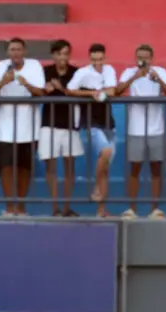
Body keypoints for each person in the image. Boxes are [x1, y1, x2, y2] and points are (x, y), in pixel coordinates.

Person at [0, 38, 46, 215]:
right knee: (6, 166)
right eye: (12, 50)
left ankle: (21, 205)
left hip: (29, 126)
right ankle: (9, 206)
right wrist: (3, 82)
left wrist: (26, 83)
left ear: (24, 51)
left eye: (19, 49)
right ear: (8, 53)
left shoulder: (34, 66)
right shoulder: (0, 66)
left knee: (24, 167)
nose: (16, 53)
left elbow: (41, 92)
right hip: (6, 126)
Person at [116, 45, 166, 219]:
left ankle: (155, 209)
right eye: (140, 57)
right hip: (136, 128)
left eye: (146, 57)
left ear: (152, 58)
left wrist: (158, 81)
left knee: (156, 168)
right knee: (135, 168)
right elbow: (118, 91)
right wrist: (134, 77)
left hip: (157, 127)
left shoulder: (160, 71)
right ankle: (131, 209)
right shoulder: (128, 72)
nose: (143, 60)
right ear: (135, 58)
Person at [66, 44, 118, 217]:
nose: (98, 63)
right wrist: (91, 94)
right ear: (89, 58)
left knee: (105, 167)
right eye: (94, 59)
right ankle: (96, 187)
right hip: (90, 120)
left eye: (100, 59)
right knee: (106, 152)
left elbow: (112, 89)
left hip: (107, 120)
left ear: (105, 58)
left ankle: (102, 209)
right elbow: (70, 90)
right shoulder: (82, 73)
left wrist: (101, 92)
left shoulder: (109, 70)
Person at [40, 40, 82, 217]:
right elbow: (39, 91)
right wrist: (45, 90)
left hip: (70, 124)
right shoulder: (45, 71)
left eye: (66, 54)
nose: (63, 57)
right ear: (53, 55)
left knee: (69, 167)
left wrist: (61, 89)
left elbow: (79, 93)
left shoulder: (76, 72)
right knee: (50, 167)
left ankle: (66, 207)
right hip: (49, 123)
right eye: (59, 54)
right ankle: (55, 208)